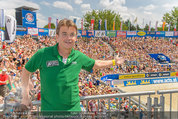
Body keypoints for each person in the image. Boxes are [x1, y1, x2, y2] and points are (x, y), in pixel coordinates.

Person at [21, 19, 124, 117]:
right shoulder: (43, 54)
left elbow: (96, 63)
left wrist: (114, 62)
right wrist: (25, 96)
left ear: (75, 38)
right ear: (57, 37)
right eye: (64, 34)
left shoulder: (78, 56)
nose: (68, 38)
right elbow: (26, 72)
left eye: (72, 34)